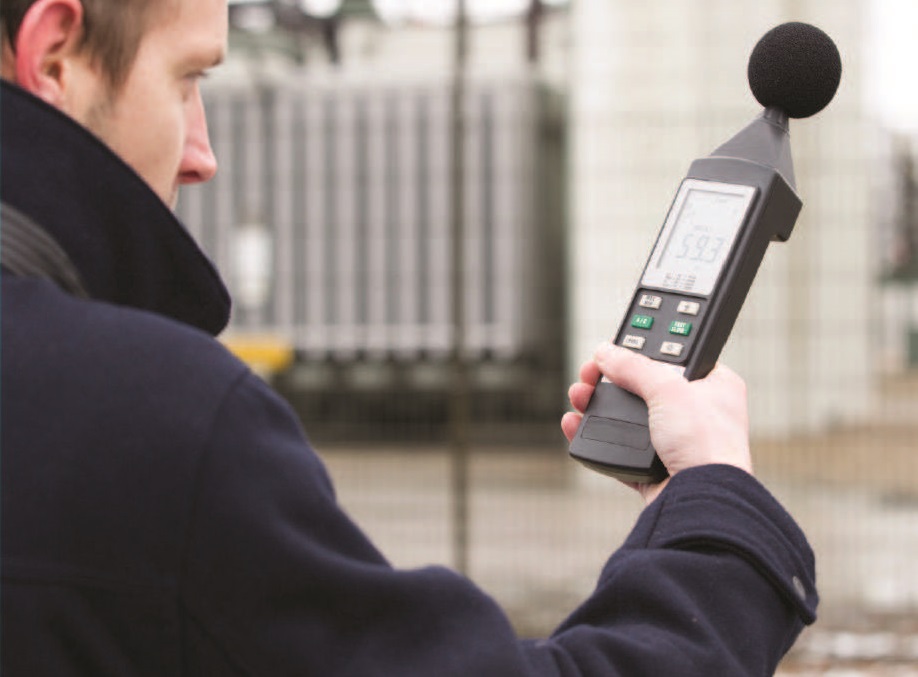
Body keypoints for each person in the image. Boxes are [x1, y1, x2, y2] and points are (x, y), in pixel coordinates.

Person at [0, 0, 817, 674]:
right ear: (56, 56)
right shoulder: (156, 423)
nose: (204, 154)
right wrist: (716, 512)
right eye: (188, 81)